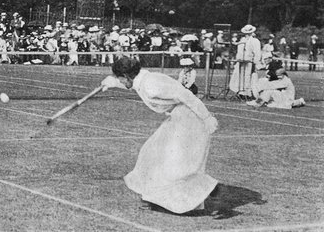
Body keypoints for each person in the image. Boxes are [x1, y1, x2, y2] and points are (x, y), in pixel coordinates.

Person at [101, 56, 218, 214]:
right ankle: (152, 197)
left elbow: (186, 95)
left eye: (121, 79)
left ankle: (206, 188)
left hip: (190, 118)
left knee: (173, 162)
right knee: (151, 155)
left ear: (127, 76)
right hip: (179, 117)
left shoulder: (152, 85)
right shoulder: (142, 79)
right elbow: (133, 85)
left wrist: (206, 117)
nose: (121, 82)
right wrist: (113, 82)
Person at [229, 24, 262, 99]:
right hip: (241, 62)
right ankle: (240, 92)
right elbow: (239, 52)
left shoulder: (255, 41)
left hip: (249, 62)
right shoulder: (242, 40)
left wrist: (255, 62)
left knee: (248, 77)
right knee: (239, 76)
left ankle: (248, 93)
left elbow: (257, 53)